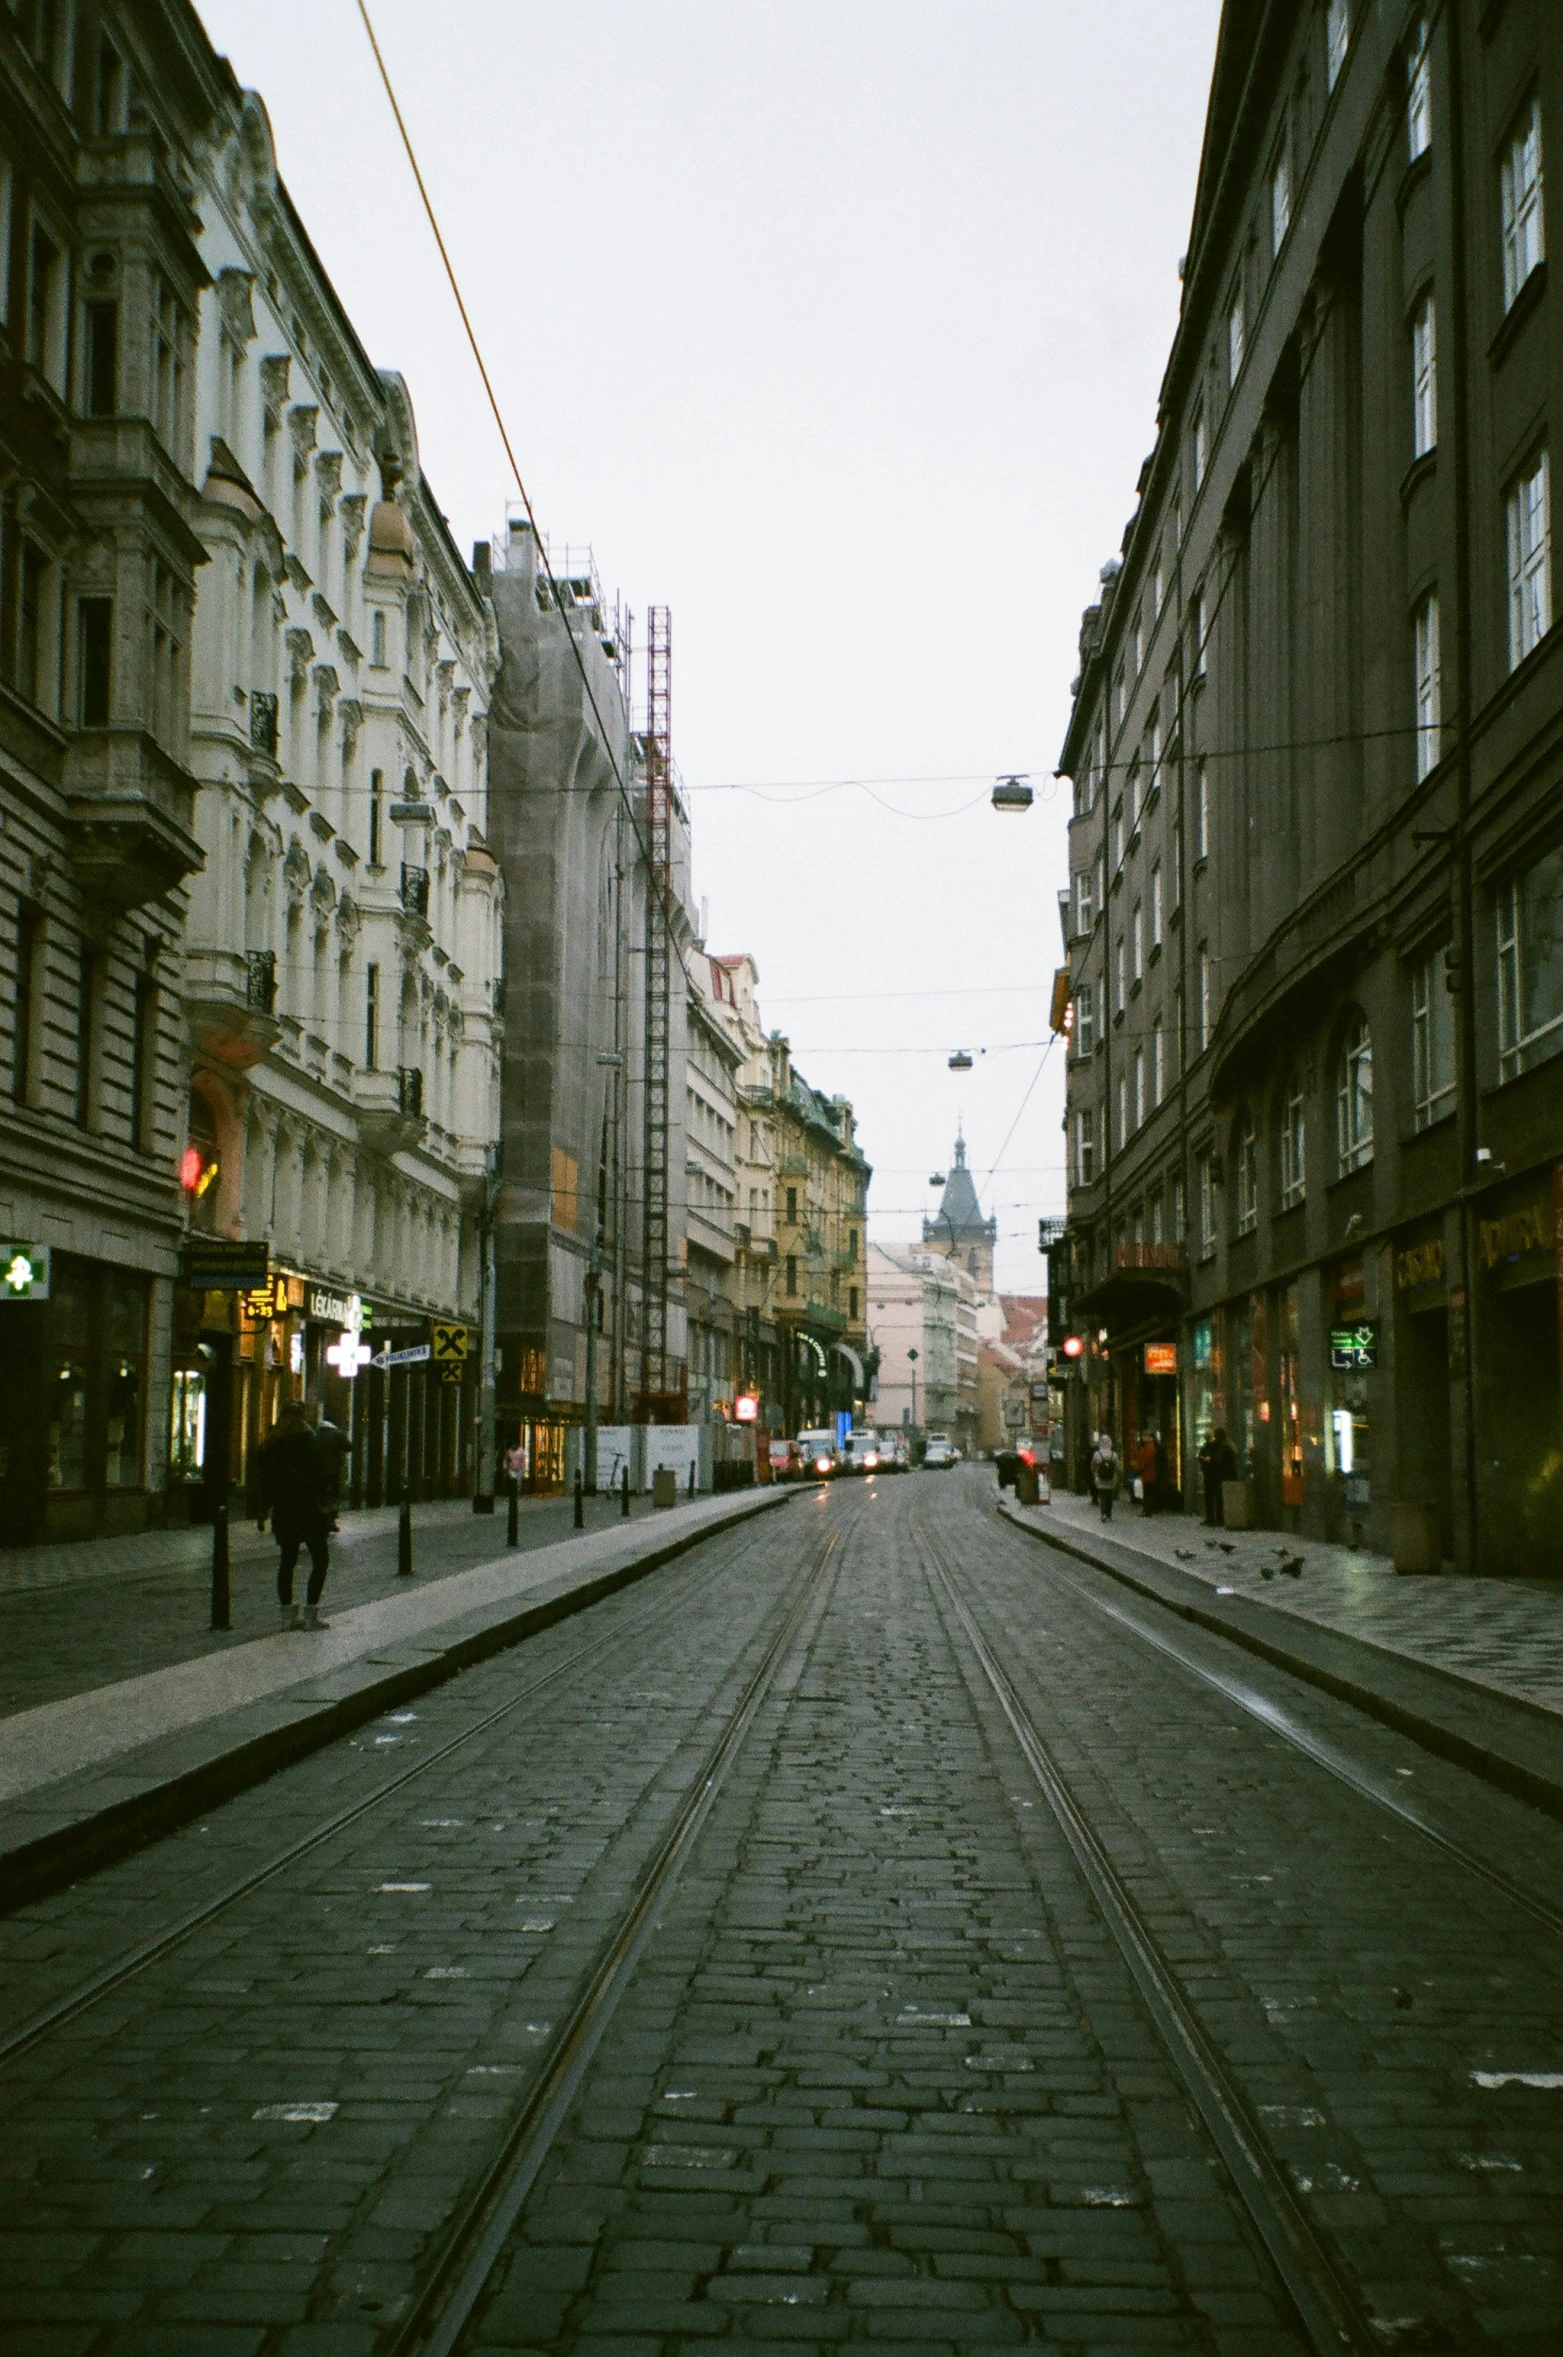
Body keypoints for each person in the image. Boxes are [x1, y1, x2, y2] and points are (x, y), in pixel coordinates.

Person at [255, 1400, 333, 1630]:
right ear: (302, 1417)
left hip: (284, 1511)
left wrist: (262, 1513)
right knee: (320, 1560)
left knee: (287, 1561)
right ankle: (310, 1614)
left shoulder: (271, 1445)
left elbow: (264, 1483)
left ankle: (287, 1616)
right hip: (309, 1510)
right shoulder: (310, 1441)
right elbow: (322, 1476)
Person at [1198, 1425, 1238, 1526]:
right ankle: (1214, 1518)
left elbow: (1219, 1460)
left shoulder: (1223, 1445)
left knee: (1217, 1498)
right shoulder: (1221, 1444)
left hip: (1219, 1475)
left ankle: (1218, 1519)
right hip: (1215, 1475)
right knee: (1213, 1497)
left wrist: (1210, 1460)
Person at [1090, 1431, 1119, 1522]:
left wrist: (1095, 1473)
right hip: (1111, 1479)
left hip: (1101, 1479)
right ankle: (1109, 1513)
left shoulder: (1097, 1454)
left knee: (1102, 1497)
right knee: (1110, 1496)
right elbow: (1117, 1467)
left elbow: (1093, 1465)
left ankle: (1103, 1514)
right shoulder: (1114, 1455)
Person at [1130, 1430, 1159, 1515]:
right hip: (1150, 1473)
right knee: (1148, 1492)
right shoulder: (1150, 1447)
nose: (1142, 1438)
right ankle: (1147, 1510)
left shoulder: (1148, 1448)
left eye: (1144, 1436)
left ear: (1148, 1437)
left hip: (1147, 1474)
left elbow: (1143, 1462)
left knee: (1147, 1493)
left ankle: (1147, 1511)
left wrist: (1136, 1468)